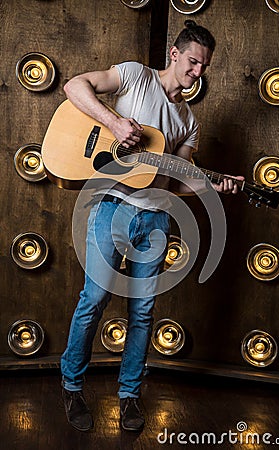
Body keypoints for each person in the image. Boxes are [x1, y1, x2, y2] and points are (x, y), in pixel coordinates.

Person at [60, 20, 244, 432]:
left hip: (157, 216)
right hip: (111, 204)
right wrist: (114, 123)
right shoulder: (133, 76)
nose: (197, 73)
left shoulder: (188, 121)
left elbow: (177, 176)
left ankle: (129, 397)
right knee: (94, 300)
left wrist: (216, 184)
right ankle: (71, 386)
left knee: (142, 311)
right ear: (174, 55)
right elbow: (74, 86)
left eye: (204, 67)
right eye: (193, 62)